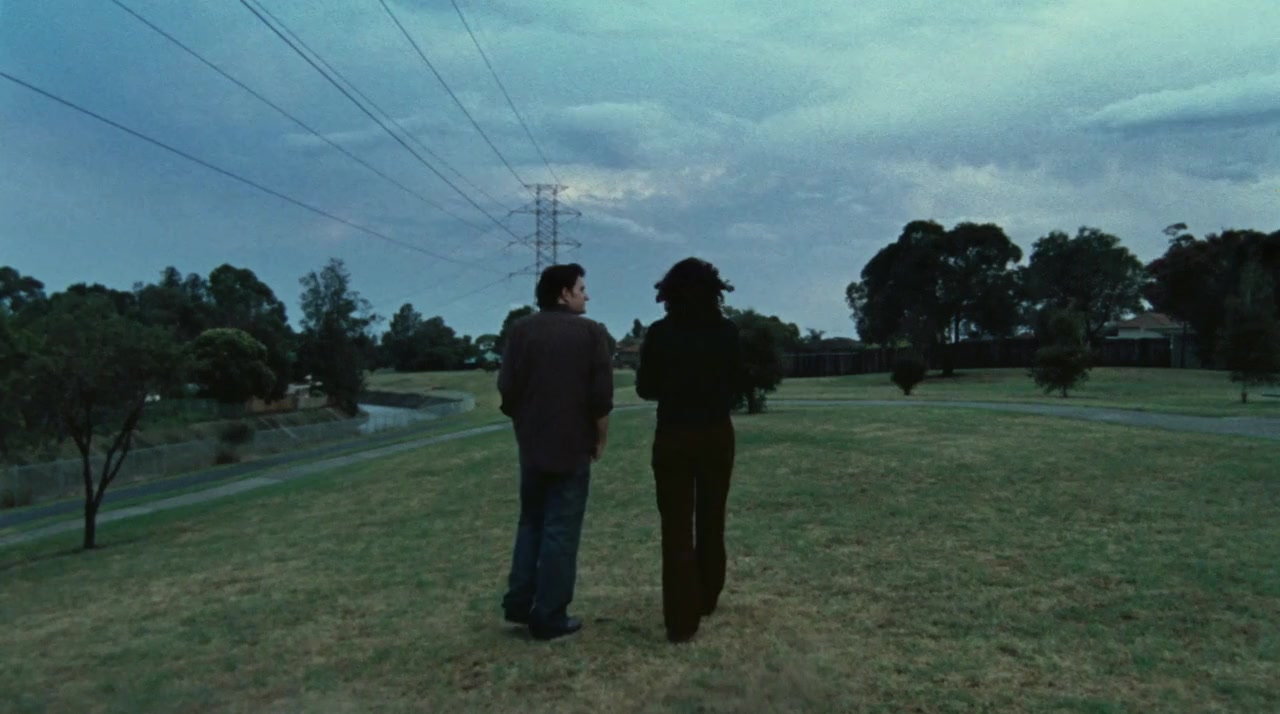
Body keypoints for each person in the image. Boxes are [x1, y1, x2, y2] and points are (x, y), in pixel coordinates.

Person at [498, 263, 614, 641]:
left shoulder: (520, 332)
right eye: (581, 289)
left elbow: (508, 390)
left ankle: (520, 602)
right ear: (564, 293)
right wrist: (600, 439)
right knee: (561, 530)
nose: (586, 295)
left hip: (532, 445)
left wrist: (526, 424)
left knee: (531, 523)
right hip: (572, 446)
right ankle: (549, 615)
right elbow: (601, 397)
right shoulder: (591, 333)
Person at [635, 257, 743, 643]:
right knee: (712, 517)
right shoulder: (727, 332)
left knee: (676, 527)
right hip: (715, 433)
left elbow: (645, 388)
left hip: (673, 435)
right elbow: (737, 383)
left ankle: (680, 619)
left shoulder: (660, 333)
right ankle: (708, 593)